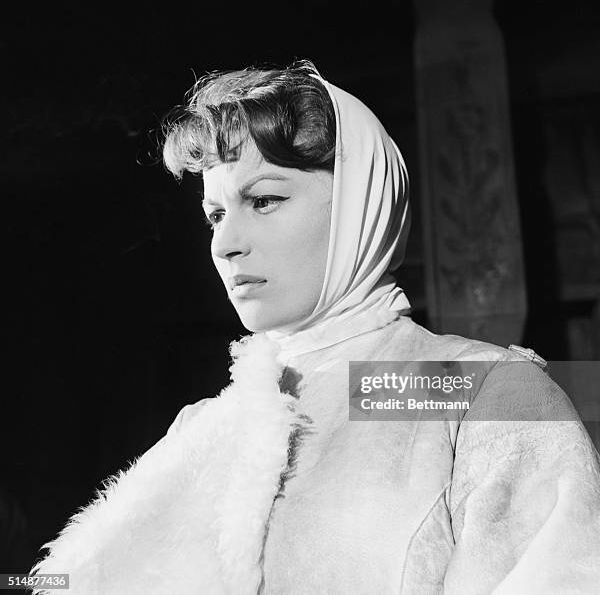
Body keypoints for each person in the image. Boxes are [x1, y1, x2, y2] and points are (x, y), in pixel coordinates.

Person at [32, 61, 600, 594]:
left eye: (265, 199)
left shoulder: (478, 390)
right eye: (216, 214)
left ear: (360, 205)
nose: (226, 244)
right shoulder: (201, 428)